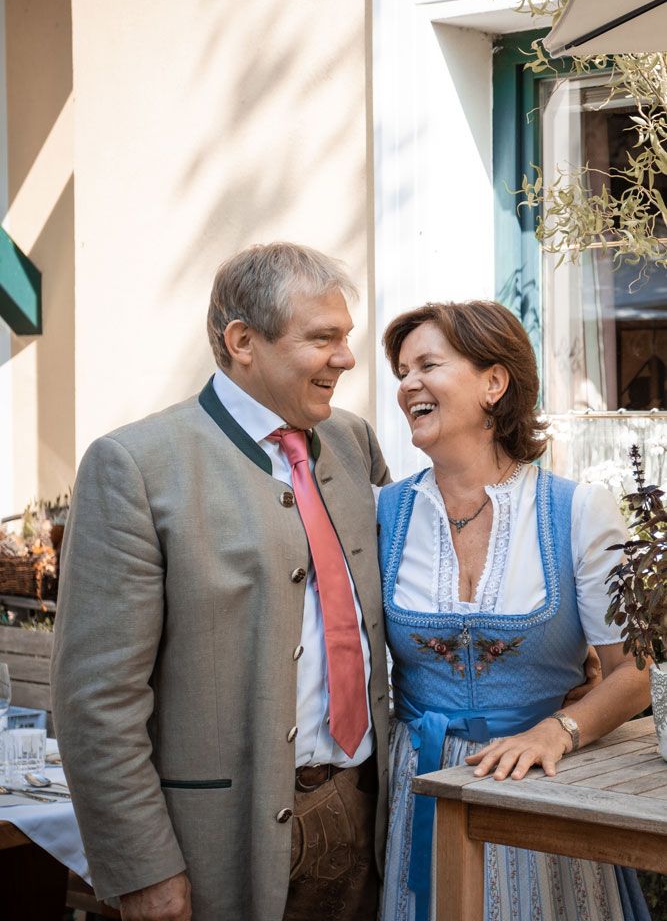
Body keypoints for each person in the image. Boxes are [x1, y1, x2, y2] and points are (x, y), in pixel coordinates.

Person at [51, 242, 391, 921]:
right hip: (218, 843)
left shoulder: (352, 442)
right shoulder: (136, 466)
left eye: (345, 337)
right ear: (242, 341)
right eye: (322, 338)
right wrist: (143, 867)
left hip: (366, 819)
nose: (346, 359)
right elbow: (97, 700)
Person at [376, 300, 651, 921]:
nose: (407, 385)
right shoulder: (381, 514)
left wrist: (557, 730)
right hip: (423, 785)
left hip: (545, 787)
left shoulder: (577, 511)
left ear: (494, 383)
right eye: (400, 372)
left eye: (427, 365)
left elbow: (633, 673)